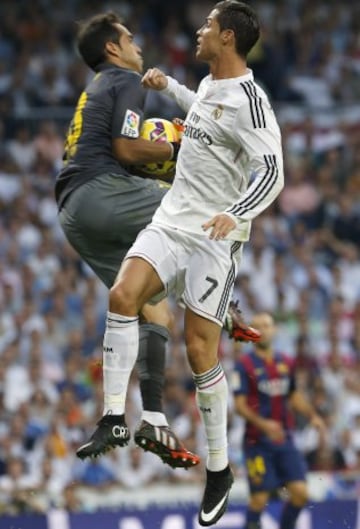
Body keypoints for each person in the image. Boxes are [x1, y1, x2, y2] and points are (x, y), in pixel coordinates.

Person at [86, 1, 284, 525]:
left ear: (228, 39)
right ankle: (112, 416)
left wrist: (234, 212)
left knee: (201, 350)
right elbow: (204, 113)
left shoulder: (252, 100)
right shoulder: (214, 87)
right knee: (122, 295)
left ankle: (219, 469)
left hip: (214, 238)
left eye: (207, 26)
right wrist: (170, 87)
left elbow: (273, 171)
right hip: (171, 219)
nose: (198, 30)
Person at [54, 12, 258, 471]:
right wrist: (178, 149)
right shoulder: (123, 79)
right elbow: (127, 150)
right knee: (192, 208)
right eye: (128, 38)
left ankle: (147, 417)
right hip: (100, 192)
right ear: (112, 49)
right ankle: (220, 302)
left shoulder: (98, 89)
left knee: (148, 307)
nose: (137, 45)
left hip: (73, 214)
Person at [232, 312, 326, 529]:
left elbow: (293, 395)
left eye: (267, 325)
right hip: (256, 443)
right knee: (259, 499)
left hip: (284, 439)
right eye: (258, 326)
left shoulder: (286, 362)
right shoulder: (244, 365)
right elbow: (239, 406)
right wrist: (264, 425)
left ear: (274, 330)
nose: (263, 330)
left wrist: (312, 415)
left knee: (300, 493)